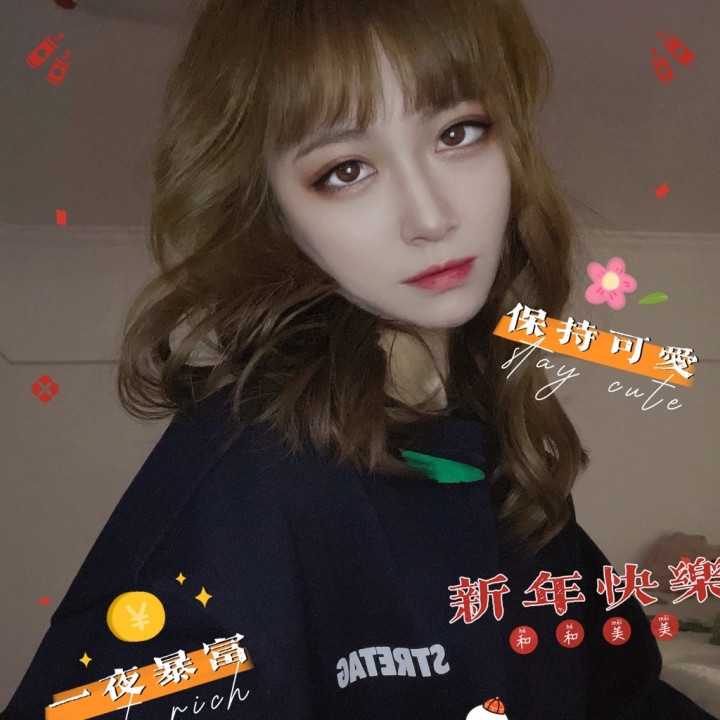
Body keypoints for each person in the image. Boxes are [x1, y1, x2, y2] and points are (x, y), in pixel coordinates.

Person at [2, 0, 717, 718]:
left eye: (458, 132)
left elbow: (620, 694)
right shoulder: (246, 482)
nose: (431, 217)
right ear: (271, 211)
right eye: (346, 170)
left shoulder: (497, 444)